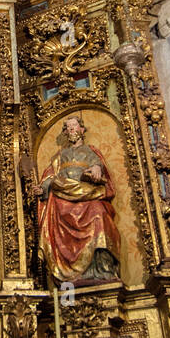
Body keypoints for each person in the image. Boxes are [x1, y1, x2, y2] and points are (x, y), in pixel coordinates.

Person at [33, 114, 120, 282]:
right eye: (68, 127)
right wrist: (42, 188)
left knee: (99, 215)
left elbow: (98, 165)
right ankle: (70, 274)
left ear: (82, 129)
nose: (72, 129)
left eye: (74, 125)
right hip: (62, 198)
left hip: (88, 194)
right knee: (57, 213)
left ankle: (101, 269)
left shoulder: (90, 151)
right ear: (66, 132)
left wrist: (96, 169)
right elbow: (51, 176)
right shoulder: (60, 155)